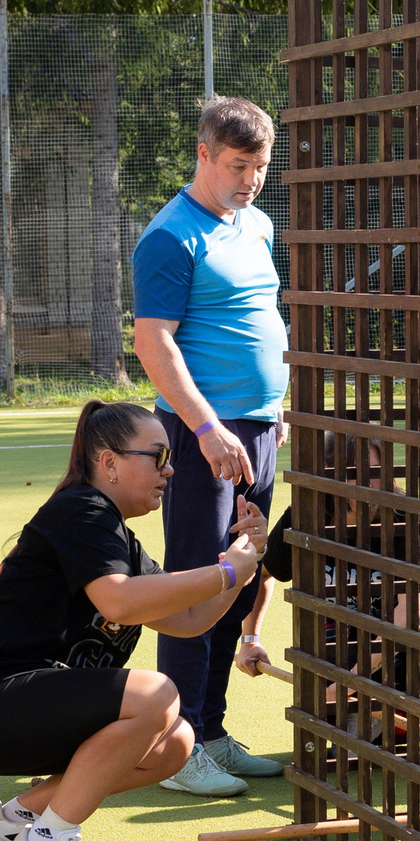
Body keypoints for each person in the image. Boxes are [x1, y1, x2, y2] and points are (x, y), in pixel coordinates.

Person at [0, 400, 266, 841]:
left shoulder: (116, 537)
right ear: (109, 462)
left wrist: (245, 565)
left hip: (17, 708)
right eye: (158, 455)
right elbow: (120, 602)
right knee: (158, 694)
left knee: (175, 742)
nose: (169, 469)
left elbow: (190, 621)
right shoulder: (81, 510)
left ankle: (19, 818)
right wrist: (226, 572)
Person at [130, 96, 292, 797]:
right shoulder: (169, 236)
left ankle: (214, 731)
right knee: (198, 580)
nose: (250, 178)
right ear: (203, 154)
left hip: (258, 428)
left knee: (244, 574)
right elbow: (154, 341)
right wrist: (205, 426)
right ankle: (178, 740)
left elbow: (260, 319)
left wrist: (273, 409)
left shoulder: (257, 224)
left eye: (259, 165)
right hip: (204, 436)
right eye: (237, 164)